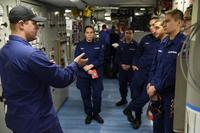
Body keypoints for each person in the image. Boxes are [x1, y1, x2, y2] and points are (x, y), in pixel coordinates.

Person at [0, 5, 87, 133]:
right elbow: (62, 79)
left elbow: (22, 77)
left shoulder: (4, 51)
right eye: (34, 23)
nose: (38, 27)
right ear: (21, 24)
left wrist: (44, 68)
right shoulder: (32, 55)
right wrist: (76, 64)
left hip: (18, 120)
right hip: (39, 123)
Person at [147, 9, 186, 133]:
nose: (164, 24)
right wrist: (151, 83)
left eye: (167, 21)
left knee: (168, 129)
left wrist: (156, 87)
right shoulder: (164, 42)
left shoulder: (183, 44)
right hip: (157, 95)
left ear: (178, 23)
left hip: (171, 95)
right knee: (157, 127)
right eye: (163, 21)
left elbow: (175, 74)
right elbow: (155, 65)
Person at [123, 16, 161, 129]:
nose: (152, 28)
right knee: (135, 95)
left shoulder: (163, 40)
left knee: (145, 96)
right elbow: (138, 53)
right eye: (150, 25)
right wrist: (134, 63)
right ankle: (137, 119)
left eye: (155, 25)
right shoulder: (146, 39)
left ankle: (128, 109)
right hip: (139, 71)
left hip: (152, 74)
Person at [74, 25, 104, 124]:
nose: (90, 35)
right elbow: (77, 60)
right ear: (84, 34)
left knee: (97, 95)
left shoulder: (99, 44)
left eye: (91, 32)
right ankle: (89, 113)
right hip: (84, 74)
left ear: (94, 33)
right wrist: (86, 69)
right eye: (87, 32)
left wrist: (91, 66)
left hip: (96, 74)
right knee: (85, 95)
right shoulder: (80, 45)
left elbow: (101, 59)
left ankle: (96, 113)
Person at [115, 27, 138, 106]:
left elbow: (137, 57)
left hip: (132, 71)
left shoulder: (136, 45)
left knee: (133, 87)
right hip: (122, 70)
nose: (128, 35)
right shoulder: (120, 44)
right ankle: (123, 99)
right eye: (127, 33)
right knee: (122, 86)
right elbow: (117, 56)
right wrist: (121, 64)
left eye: (130, 33)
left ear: (133, 34)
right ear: (124, 34)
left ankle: (133, 101)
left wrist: (130, 65)